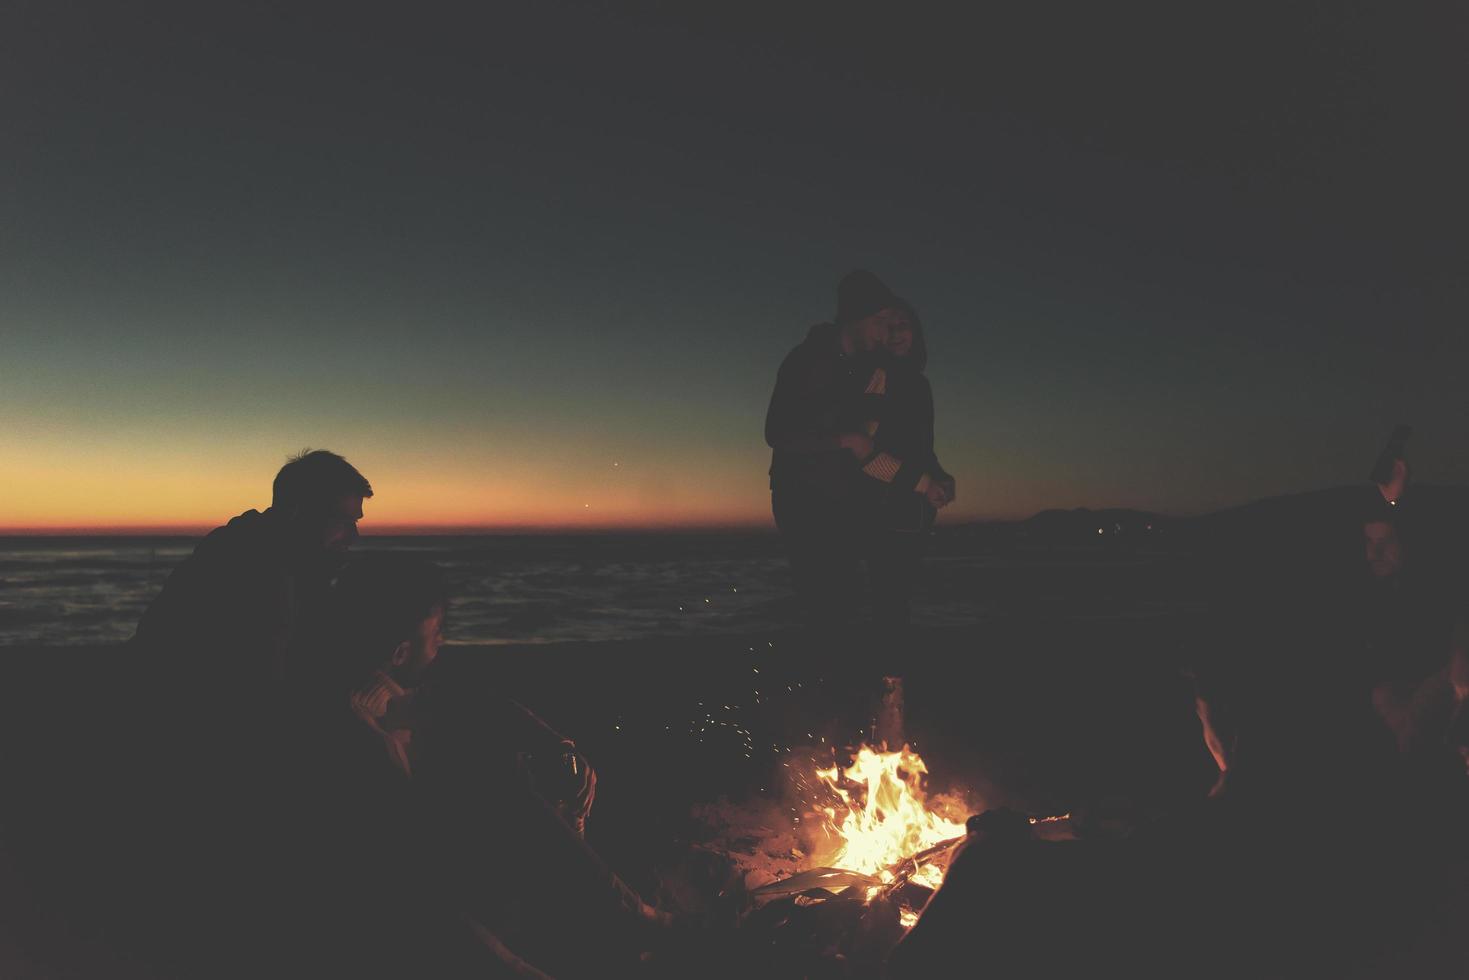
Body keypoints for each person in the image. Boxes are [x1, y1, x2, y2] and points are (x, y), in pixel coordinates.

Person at [766, 270, 940, 637]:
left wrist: (923, 478)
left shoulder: (865, 369)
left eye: (895, 324)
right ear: (855, 319)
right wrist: (846, 440)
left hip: (845, 501)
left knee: (844, 603)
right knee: (825, 603)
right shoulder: (808, 361)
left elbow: (884, 444)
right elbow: (778, 433)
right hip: (804, 500)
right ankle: (821, 684)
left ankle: (842, 683)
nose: (886, 332)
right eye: (880, 322)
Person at [862, 299, 954, 634]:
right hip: (883, 513)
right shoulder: (878, 377)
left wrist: (941, 479)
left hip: (913, 515)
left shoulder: (919, 383)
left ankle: (891, 681)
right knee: (890, 606)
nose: (897, 332)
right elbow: (864, 455)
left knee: (897, 604)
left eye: (904, 325)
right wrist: (924, 483)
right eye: (889, 325)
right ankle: (889, 684)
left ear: (916, 332)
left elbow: (922, 450)